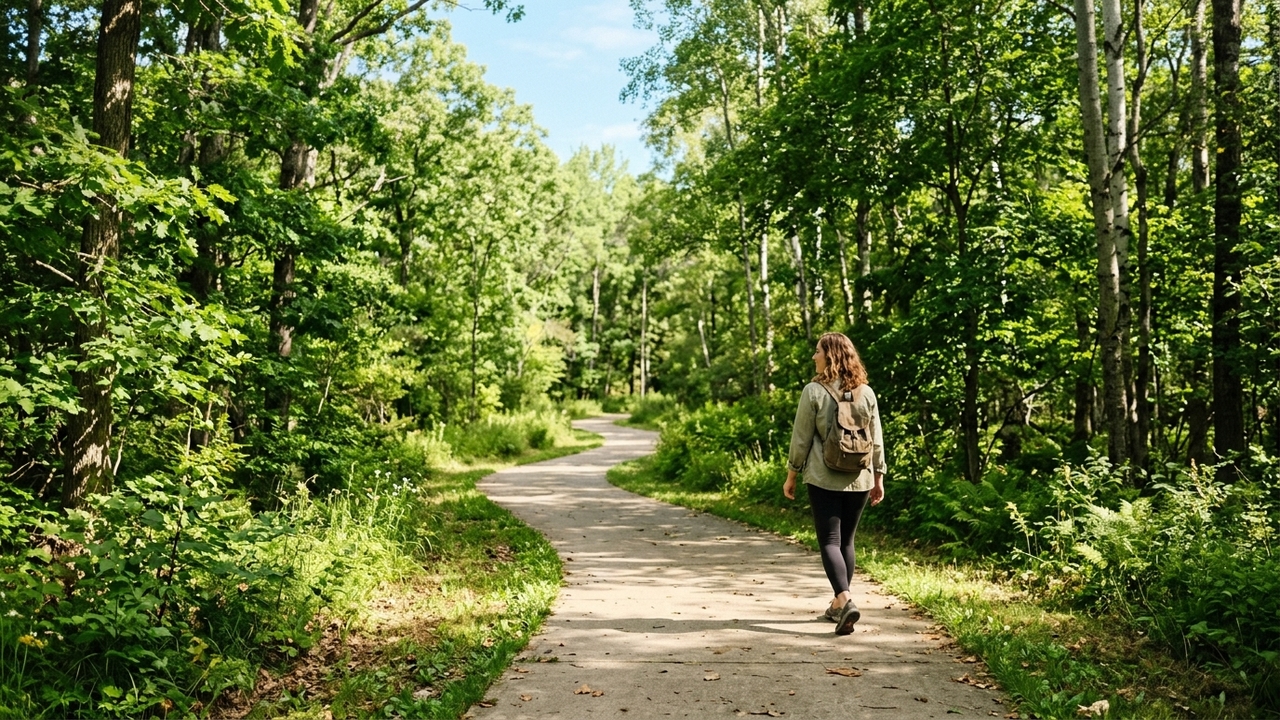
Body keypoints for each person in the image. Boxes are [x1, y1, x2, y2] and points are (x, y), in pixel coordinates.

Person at [782, 332, 886, 636]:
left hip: (823, 476)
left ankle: (845, 599)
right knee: (846, 542)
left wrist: (791, 474)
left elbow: (801, 438)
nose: (814, 356)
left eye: (817, 351)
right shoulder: (866, 393)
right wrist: (878, 476)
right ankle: (840, 605)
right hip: (860, 477)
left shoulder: (813, 391)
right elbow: (876, 439)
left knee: (829, 541)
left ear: (830, 356)